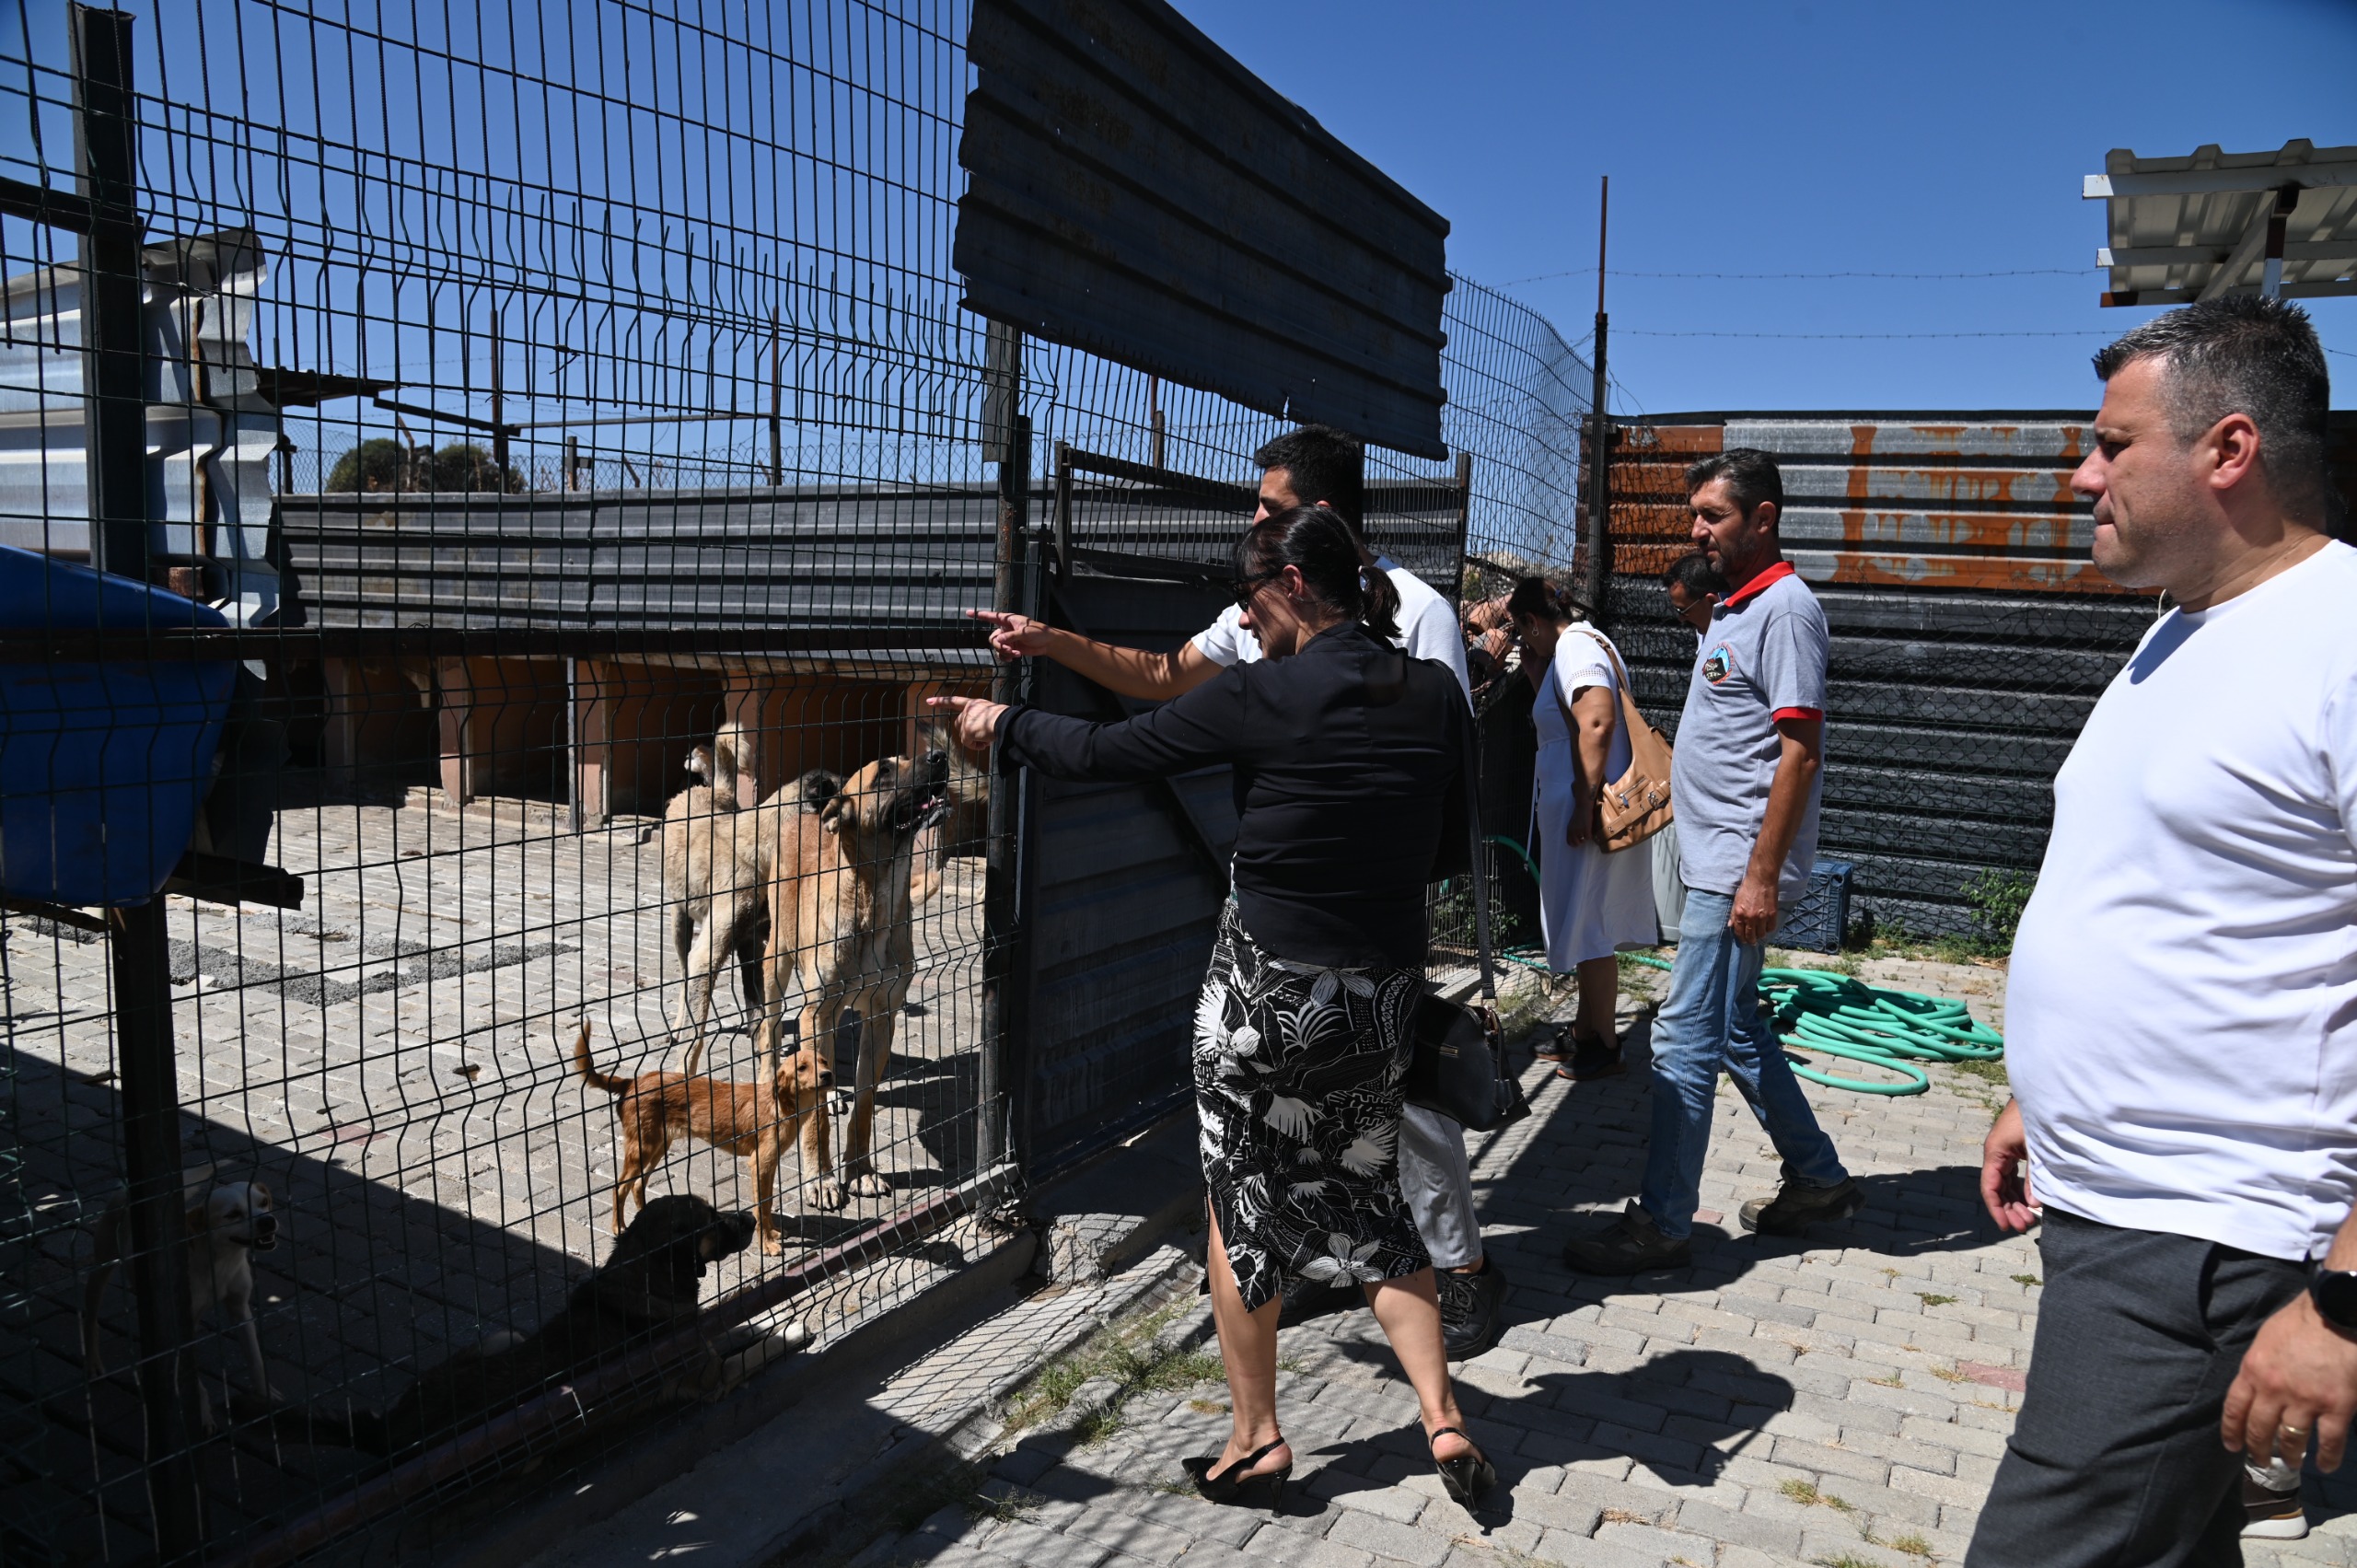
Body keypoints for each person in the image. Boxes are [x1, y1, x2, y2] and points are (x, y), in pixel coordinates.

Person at [934, 507, 1496, 1510]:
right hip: (1379, 992)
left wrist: (1001, 725)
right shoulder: (1438, 692)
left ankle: (1255, 1438)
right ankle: (1443, 1416)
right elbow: (1453, 844)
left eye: (1248, 601)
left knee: (1242, 1204)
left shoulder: (1259, 694)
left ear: (1288, 583)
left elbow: (1108, 751)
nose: (1245, 620)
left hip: (1266, 992)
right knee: (1370, 1191)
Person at [1970, 298, 2353, 1562]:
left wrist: (2342, 1303)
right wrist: (2046, 1091)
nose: (2082, 474)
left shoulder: (2341, 641)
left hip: (2211, 1243)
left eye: (2110, 444)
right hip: (2120, 1215)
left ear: (2228, 450)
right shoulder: (2182, 626)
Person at [1562, 449, 1859, 1275]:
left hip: (1736, 867)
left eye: (1713, 515)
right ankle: (1821, 1181)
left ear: (1763, 518)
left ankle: (1662, 1221)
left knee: (1685, 1037)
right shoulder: (1732, 606)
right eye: (1695, 513)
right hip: (1715, 858)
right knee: (1732, 1027)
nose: (1697, 528)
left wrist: (1760, 875)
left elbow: (1799, 752)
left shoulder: (1787, 611)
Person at [1503, 575, 1655, 1080]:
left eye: (1522, 633)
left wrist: (1583, 806)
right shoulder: (1587, 643)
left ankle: (1605, 1047)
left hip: (1588, 812)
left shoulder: (1572, 647)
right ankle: (1588, 1031)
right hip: (1588, 806)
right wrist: (1534, 678)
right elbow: (1570, 719)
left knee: (1590, 929)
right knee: (1589, 924)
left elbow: (1596, 723)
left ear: (1532, 621)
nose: (1525, 644)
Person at [1662, 552, 1729, 634]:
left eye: (1683, 611)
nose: (1681, 618)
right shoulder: (1705, 628)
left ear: (1712, 601)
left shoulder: (1734, 637)